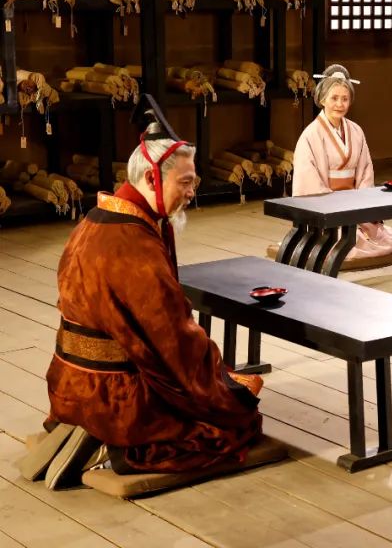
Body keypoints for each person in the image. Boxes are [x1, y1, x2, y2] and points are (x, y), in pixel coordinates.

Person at [25, 107, 264, 490]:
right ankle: (115, 447)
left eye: (194, 182)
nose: (192, 193)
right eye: (184, 183)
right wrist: (221, 380)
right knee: (236, 420)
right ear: (152, 179)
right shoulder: (132, 244)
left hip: (69, 385)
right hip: (115, 398)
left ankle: (91, 432)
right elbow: (172, 339)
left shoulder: (98, 218)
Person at [292, 64, 392, 260]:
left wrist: (360, 205)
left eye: (345, 99)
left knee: (388, 239)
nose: (340, 104)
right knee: (348, 245)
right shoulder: (310, 136)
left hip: (354, 205)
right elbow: (308, 181)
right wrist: (335, 209)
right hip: (327, 208)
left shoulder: (356, 131)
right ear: (322, 99)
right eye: (334, 98)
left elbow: (365, 172)